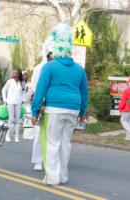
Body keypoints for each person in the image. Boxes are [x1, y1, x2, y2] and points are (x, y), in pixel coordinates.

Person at [31, 23, 88, 185]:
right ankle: (63, 176)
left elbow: (40, 91)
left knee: (52, 142)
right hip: (73, 109)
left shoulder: (50, 66)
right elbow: (84, 92)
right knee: (65, 143)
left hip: (54, 109)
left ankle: (53, 177)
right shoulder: (79, 69)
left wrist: (35, 112)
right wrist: (83, 112)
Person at [30, 40, 53, 171]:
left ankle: (49, 159)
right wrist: (40, 102)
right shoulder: (39, 68)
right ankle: (38, 160)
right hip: (42, 103)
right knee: (39, 133)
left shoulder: (58, 67)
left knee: (52, 134)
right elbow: (34, 85)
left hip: (54, 104)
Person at [2, 69, 24, 143]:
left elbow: (24, 92)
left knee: (18, 120)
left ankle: (16, 137)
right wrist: (5, 100)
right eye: (13, 72)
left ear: (19, 74)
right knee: (11, 119)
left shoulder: (22, 82)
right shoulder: (10, 81)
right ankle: (7, 135)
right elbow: (3, 90)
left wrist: (23, 99)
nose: (14, 74)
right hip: (10, 102)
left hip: (18, 102)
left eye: (16, 73)